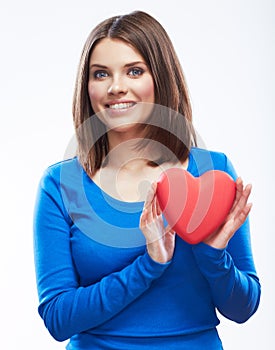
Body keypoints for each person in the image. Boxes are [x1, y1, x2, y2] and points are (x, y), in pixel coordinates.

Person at [33, 10, 261, 350]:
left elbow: (242, 309)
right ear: (87, 87)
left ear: (161, 78)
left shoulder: (213, 173)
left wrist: (213, 255)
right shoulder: (61, 184)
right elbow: (58, 318)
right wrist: (150, 264)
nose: (116, 87)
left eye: (134, 71)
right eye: (100, 74)